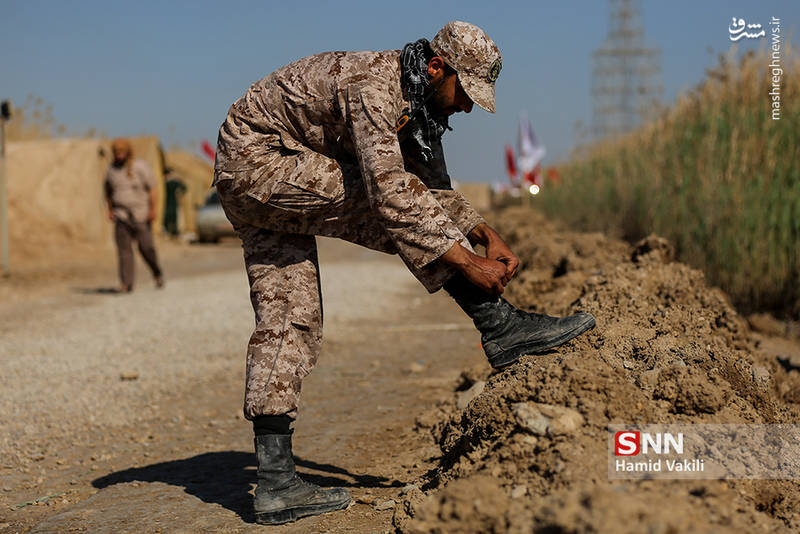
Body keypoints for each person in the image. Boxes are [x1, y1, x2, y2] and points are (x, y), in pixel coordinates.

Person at [213, 21, 595, 525]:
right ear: (438, 68)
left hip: (263, 178)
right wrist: (467, 262)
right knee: (394, 207)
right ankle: (501, 328)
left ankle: (277, 482)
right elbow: (395, 194)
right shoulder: (374, 86)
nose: (466, 107)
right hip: (258, 162)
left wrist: (484, 232)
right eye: (465, 93)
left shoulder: (419, 100)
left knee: (290, 314)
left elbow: (432, 183)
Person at [104, 138, 164, 292]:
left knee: (146, 247)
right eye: (116, 153)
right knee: (124, 251)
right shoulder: (111, 170)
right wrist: (110, 210)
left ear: (128, 152)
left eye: (121, 153)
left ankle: (157, 272)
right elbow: (108, 192)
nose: (119, 156)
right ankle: (126, 283)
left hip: (140, 214)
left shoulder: (140, 167)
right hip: (121, 215)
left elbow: (152, 189)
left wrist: (152, 210)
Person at [163, 167, 187, 237]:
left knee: (173, 218)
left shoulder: (174, 182)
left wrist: (180, 194)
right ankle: (171, 232)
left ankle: (174, 233)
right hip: (167, 203)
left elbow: (184, 188)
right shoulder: (165, 183)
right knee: (168, 219)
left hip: (172, 202)